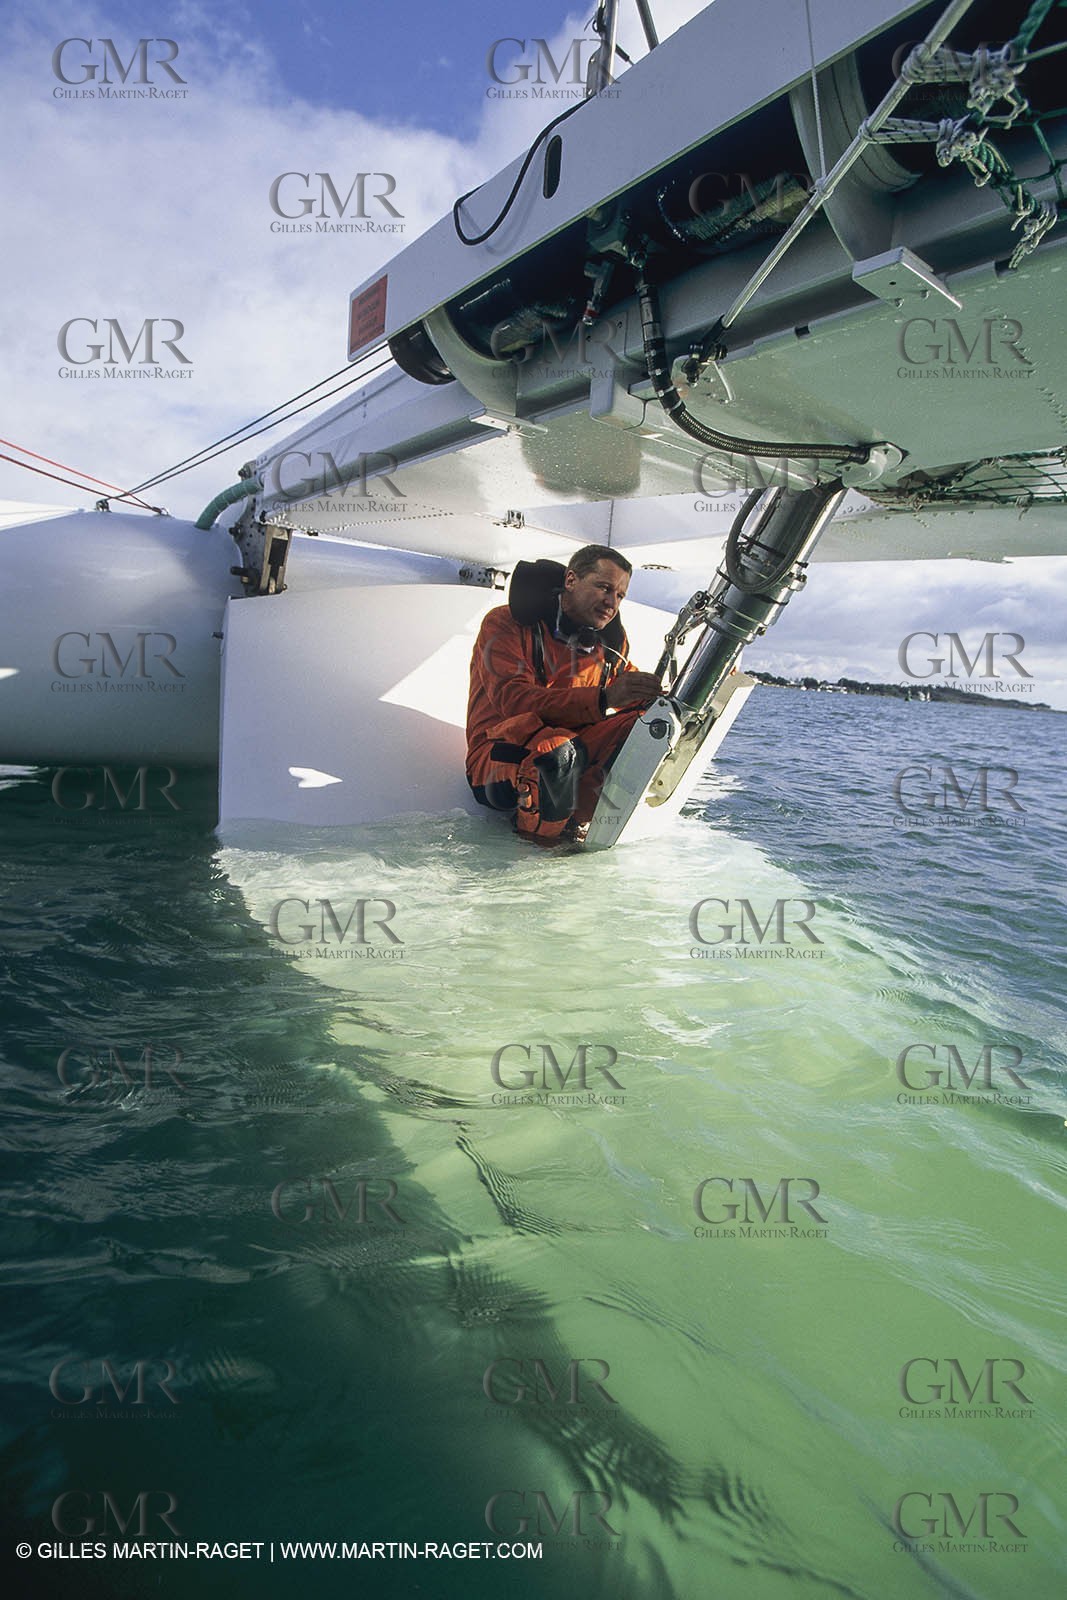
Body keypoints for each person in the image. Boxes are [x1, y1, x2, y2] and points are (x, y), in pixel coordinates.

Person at [466, 544, 663, 841]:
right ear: (571, 581)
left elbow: (629, 690)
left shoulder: (610, 648)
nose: (612, 602)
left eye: (620, 595)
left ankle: (580, 822)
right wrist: (604, 699)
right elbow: (513, 700)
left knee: (649, 723)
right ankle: (540, 854)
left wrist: (664, 699)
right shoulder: (505, 623)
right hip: (496, 756)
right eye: (604, 587)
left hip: (573, 752)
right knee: (556, 751)